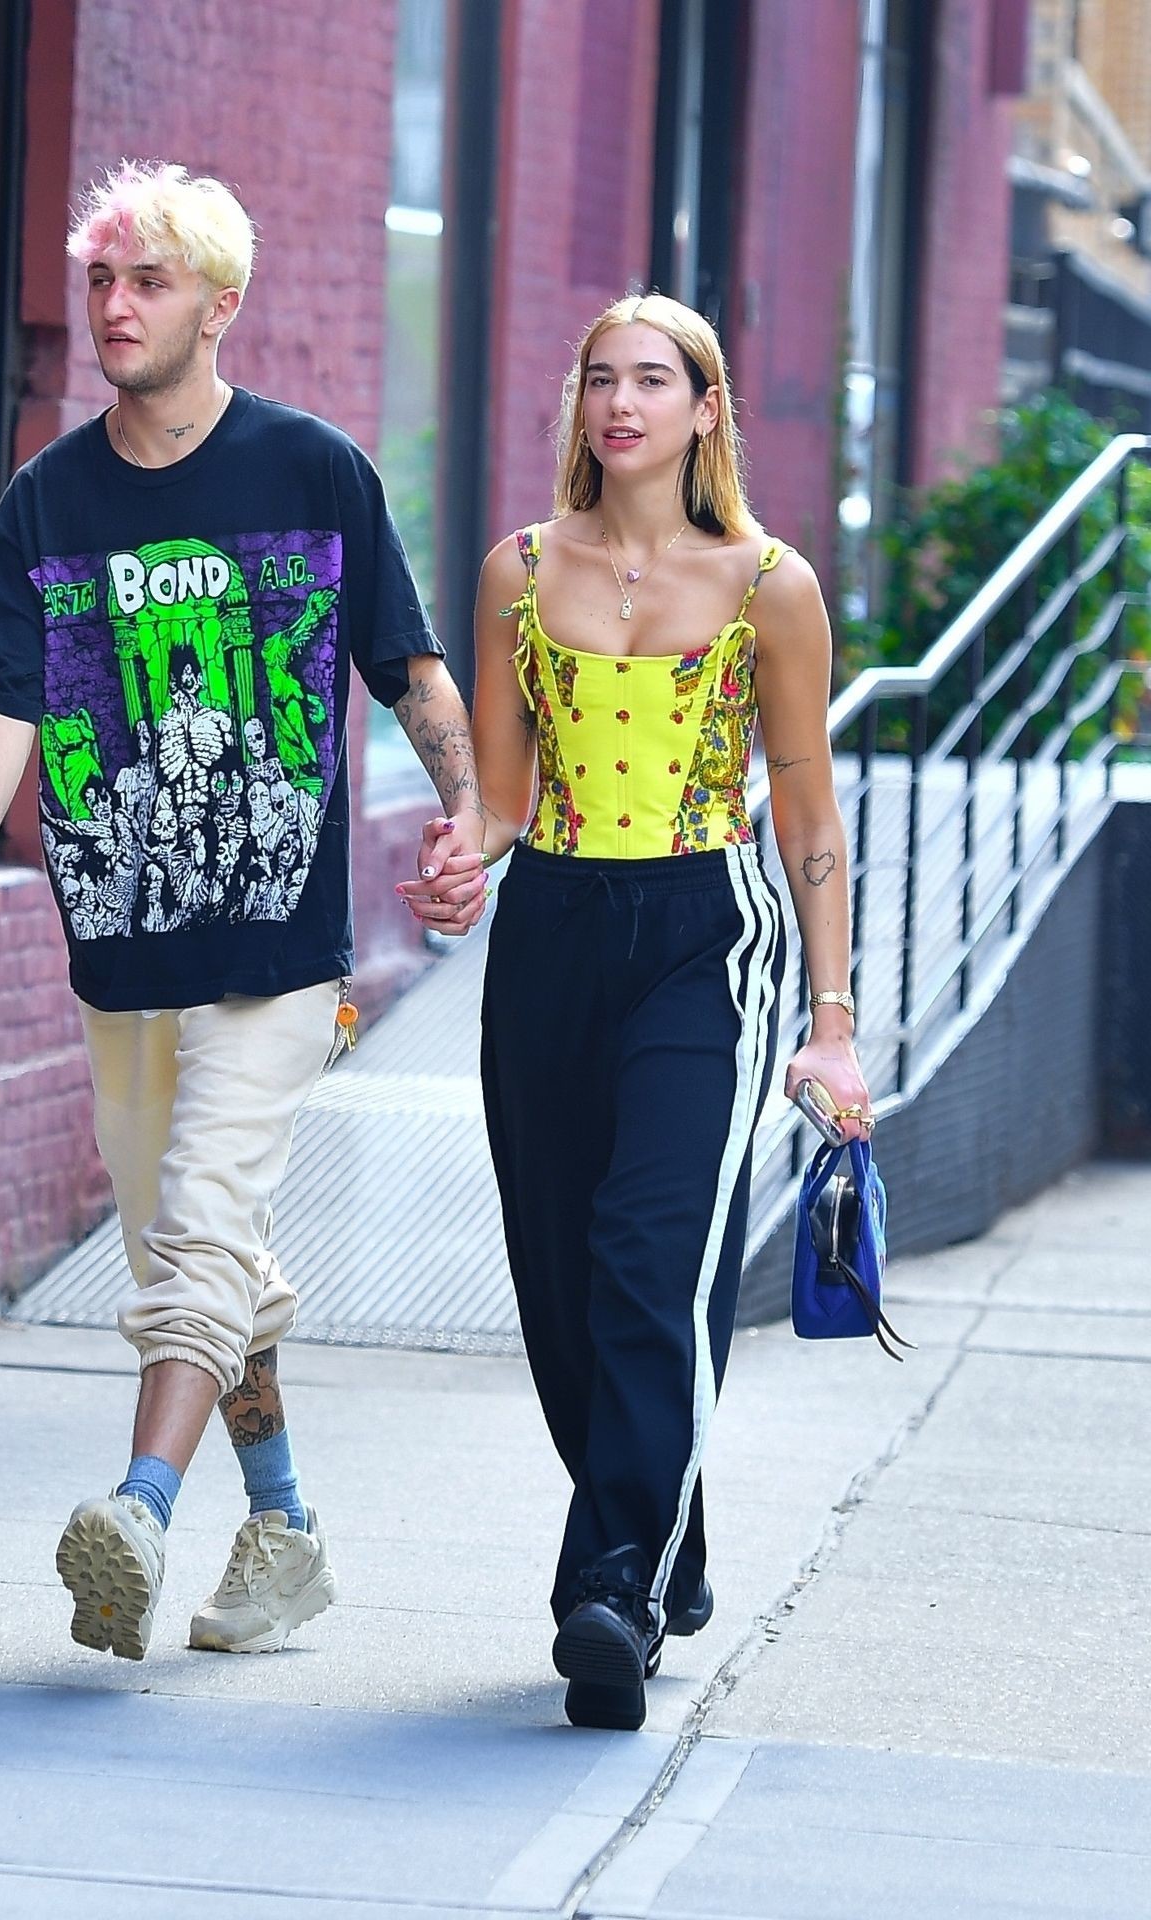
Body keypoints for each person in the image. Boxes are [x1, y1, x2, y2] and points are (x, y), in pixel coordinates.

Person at [0, 160, 485, 1665]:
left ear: (220, 306)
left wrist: (467, 816)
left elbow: (409, 668)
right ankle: (286, 1527)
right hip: (120, 941)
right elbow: (4, 689)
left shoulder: (313, 470)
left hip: (277, 946)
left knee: (203, 1219)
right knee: (196, 1250)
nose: (114, 307)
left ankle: (140, 1509)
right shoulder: (50, 496)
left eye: (148, 283)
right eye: (101, 281)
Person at [401, 293, 872, 1730]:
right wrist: (461, 857)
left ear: (705, 408)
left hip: (702, 934)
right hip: (551, 930)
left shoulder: (771, 584)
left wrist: (834, 1019)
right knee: (558, 1281)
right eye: (601, 378)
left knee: (649, 1258)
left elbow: (808, 812)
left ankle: (610, 1586)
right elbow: (503, 795)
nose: (621, 403)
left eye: (654, 380)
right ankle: (672, 1529)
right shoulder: (516, 570)